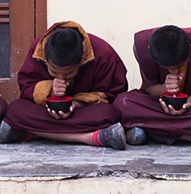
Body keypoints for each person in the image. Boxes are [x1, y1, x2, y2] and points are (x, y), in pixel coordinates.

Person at [0, 21, 128, 149]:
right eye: (54, 71)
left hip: (82, 111)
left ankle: (33, 132)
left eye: (69, 72)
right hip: (46, 111)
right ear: (46, 59)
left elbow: (113, 94)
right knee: (16, 109)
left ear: (81, 60)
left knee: (107, 113)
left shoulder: (102, 53)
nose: (61, 77)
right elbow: (26, 84)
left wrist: (77, 104)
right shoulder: (38, 49)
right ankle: (92, 137)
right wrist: (49, 91)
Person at [114, 25, 191, 147]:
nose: (173, 72)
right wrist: (164, 88)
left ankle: (152, 132)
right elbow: (150, 87)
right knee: (121, 103)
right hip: (159, 103)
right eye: (166, 68)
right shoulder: (141, 47)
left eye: (178, 67)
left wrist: (187, 104)